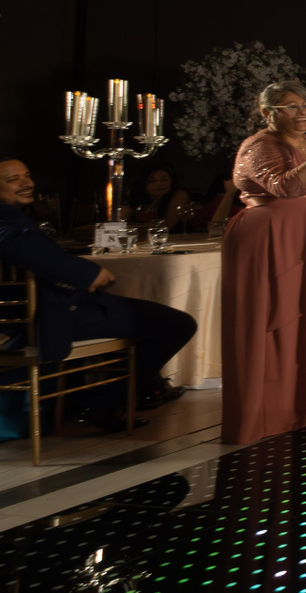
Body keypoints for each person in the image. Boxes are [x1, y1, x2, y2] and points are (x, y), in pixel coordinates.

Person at [0, 159, 195, 425]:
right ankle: (102, 402)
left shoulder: (13, 215)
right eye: (13, 179)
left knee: (150, 319)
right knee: (178, 324)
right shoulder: (5, 217)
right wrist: (87, 273)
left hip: (51, 309)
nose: (27, 183)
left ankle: (119, 395)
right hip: (50, 315)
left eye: (27, 175)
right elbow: (21, 246)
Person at [221, 81, 306, 443]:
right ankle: (275, 409)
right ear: (267, 112)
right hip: (278, 243)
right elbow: (288, 188)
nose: (302, 113)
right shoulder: (260, 145)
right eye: (291, 106)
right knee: (279, 320)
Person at [127, 166, 193, 228]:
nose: (158, 184)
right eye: (152, 181)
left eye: (164, 180)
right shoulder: (138, 200)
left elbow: (166, 226)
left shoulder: (179, 195)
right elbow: (122, 219)